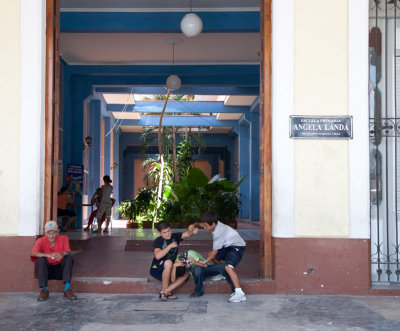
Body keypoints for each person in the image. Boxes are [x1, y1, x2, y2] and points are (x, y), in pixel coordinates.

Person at [191, 211, 247, 303]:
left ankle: (239, 293)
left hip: (237, 248)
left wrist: (205, 262)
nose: (204, 228)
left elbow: (215, 252)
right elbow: (202, 223)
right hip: (228, 246)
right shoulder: (214, 223)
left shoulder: (218, 232)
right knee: (211, 255)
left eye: (206, 226)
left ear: (213, 224)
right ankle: (221, 273)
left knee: (228, 267)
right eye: (204, 226)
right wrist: (194, 225)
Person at [149, 221, 198, 301]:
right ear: (159, 232)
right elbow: (157, 256)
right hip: (157, 269)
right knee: (168, 262)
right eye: (165, 232)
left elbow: (187, 234)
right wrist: (170, 246)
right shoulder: (158, 241)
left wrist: (193, 230)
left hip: (170, 268)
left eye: (169, 231)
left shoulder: (175, 237)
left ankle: (166, 291)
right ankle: (164, 290)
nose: (168, 234)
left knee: (187, 273)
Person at [30, 220, 77, 301]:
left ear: (58, 232)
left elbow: (68, 251)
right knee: (40, 260)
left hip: (61, 272)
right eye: (49, 233)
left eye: (54, 233)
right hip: (48, 272)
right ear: (45, 233)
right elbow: (33, 253)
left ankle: (67, 289)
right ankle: (44, 290)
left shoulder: (64, 238)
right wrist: (46, 255)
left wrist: (62, 254)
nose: (51, 236)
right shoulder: (40, 241)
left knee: (68, 258)